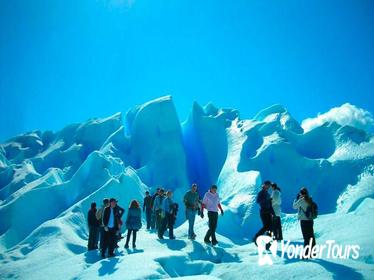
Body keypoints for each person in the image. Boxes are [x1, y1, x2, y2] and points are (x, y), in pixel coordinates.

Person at [293, 187, 316, 258]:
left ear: (301, 193)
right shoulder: (310, 199)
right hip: (310, 220)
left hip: (304, 221)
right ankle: (313, 252)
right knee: (311, 236)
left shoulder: (301, 200)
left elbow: (294, 206)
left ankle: (306, 254)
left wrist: (296, 199)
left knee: (306, 237)